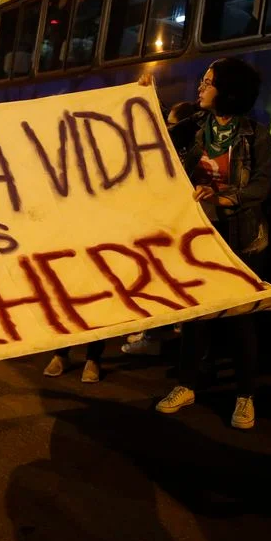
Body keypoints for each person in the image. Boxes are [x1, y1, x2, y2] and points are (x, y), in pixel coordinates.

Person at [154, 59, 271, 431]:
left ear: (229, 90)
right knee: (195, 316)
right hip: (198, 238)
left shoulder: (257, 135)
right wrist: (145, 95)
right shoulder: (191, 128)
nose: (200, 89)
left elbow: (260, 186)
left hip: (242, 239)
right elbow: (151, 140)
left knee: (240, 320)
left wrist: (225, 198)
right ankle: (187, 385)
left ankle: (245, 396)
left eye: (208, 83)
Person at [123, 100, 200, 356]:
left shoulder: (186, 155)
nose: (168, 129)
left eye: (172, 124)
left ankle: (158, 335)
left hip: (175, 227)